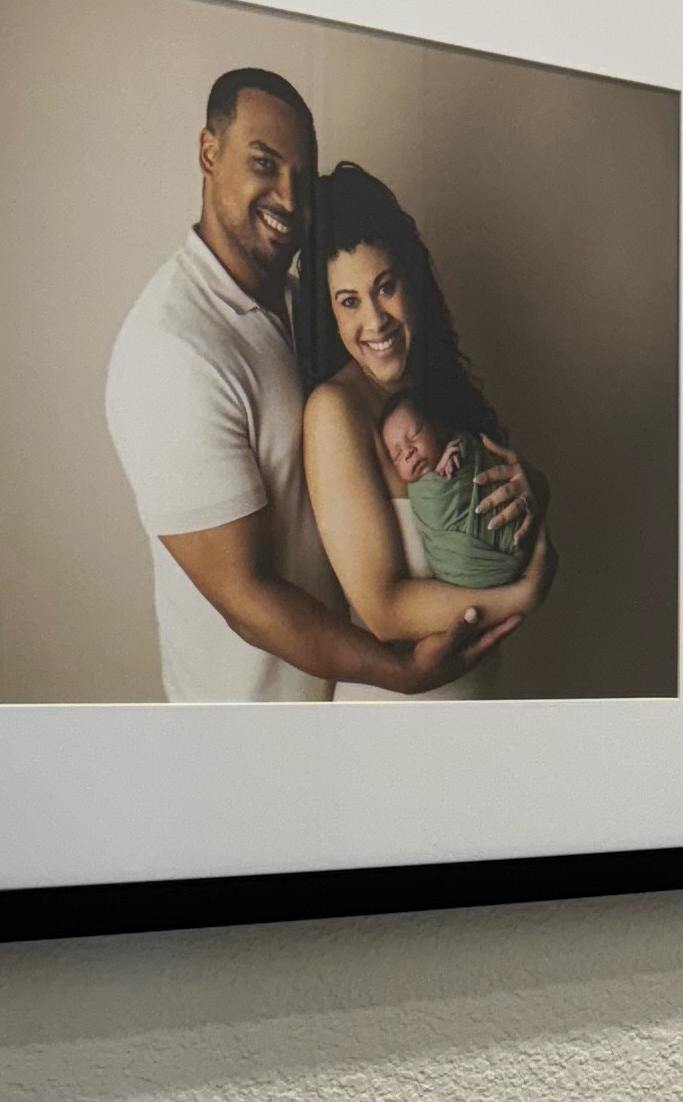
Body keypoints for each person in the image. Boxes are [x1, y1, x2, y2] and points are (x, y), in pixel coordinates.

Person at [104, 70, 521, 703]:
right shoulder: (172, 349)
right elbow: (246, 598)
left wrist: (518, 489)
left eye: (302, 177)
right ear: (209, 152)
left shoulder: (311, 310)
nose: (288, 198)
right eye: (263, 164)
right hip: (248, 723)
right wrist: (401, 671)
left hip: (336, 711)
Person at [298, 163, 554, 697]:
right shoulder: (335, 412)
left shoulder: (438, 389)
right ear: (329, 312)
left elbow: (487, 522)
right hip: (394, 727)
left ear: (411, 280)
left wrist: (532, 486)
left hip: (479, 707)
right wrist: (524, 597)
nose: (375, 321)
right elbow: (384, 610)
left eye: (384, 287)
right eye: (349, 301)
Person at [378, 393, 534, 594]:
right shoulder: (420, 494)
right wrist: (437, 480)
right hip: (467, 582)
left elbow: (479, 457)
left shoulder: (457, 447)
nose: (408, 451)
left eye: (414, 434)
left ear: (436, 429)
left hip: (514, 544)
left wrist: (459, 452)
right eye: (397, 454)